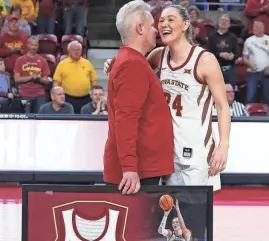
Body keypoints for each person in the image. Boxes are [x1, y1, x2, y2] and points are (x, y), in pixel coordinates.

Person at [104, 5, 230, 191]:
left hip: (195, 146)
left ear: (186, 24)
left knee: (194, 213)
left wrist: (223, 146)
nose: (163, 24)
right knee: (169, 215)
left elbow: (222, 107)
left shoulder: (205, 60)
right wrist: (114, 63)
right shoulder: (158, 56)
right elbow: (133, 70)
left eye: (171, 19)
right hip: (168, 151)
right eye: (161, 20)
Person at [103, 0, 174, 195]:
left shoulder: (130, 61)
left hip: (142, 166)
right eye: (152, 26)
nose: (156, 31)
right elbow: (125, 120)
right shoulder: (132, 65)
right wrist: (129, 168)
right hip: (139, 170)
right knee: (141, 225)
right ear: (140, 28)